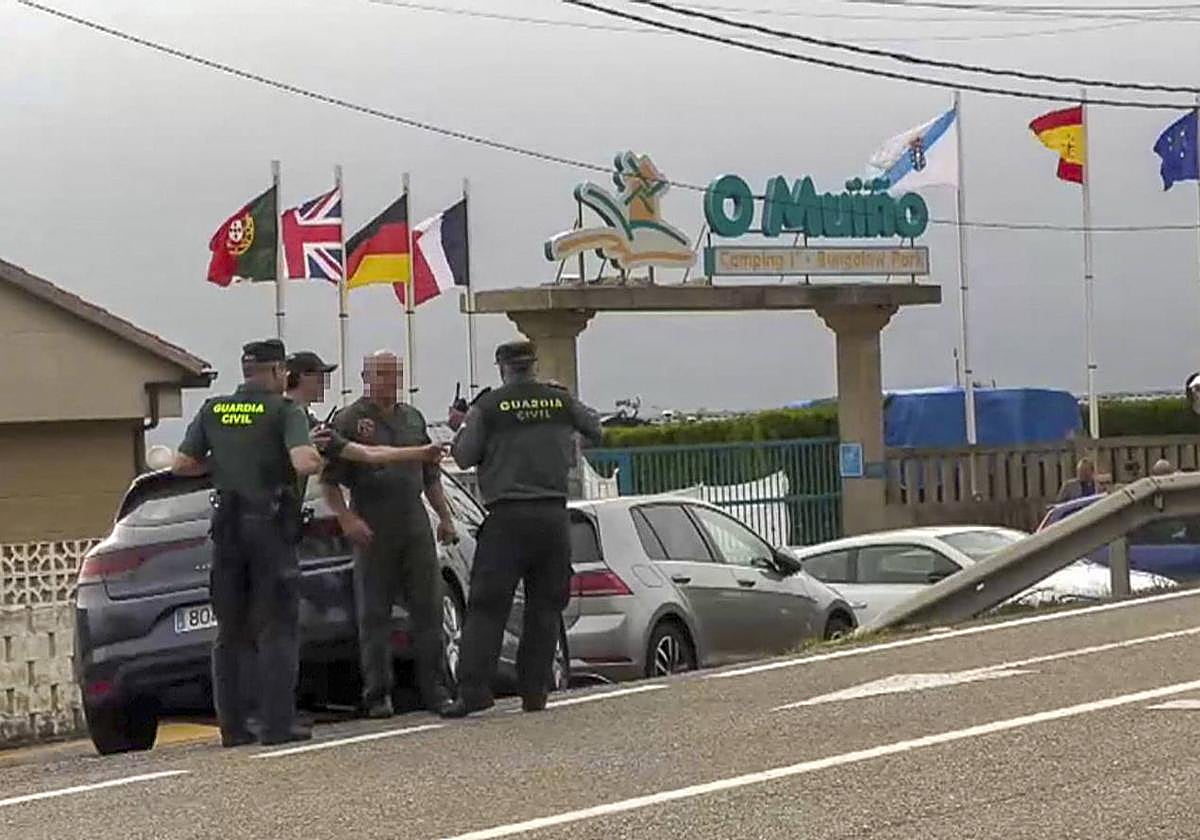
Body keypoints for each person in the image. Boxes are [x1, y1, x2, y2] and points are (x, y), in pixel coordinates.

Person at [440, 340, 603, 719]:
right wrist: (565, 420)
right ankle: (535, 691)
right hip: (553, 517)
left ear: (502, 367)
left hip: (507, 518)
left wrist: (460, 425)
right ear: (534, 365)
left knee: (487, 607)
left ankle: (474, 691)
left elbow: (462, 456)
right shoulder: (559, 401)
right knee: (545, 608)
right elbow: (596, 428)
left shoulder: (488, 406)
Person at [171, 339, 321, 747]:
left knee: (230, 630)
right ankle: (276, 725)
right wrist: (316, 456)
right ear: (276, 371)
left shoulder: (214, 409)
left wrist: (222, 463)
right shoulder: (284, 411)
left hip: (228, 528)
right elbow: (303, 460)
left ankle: (234, 728)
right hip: (269, 528)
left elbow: (182, 464)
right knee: (276, 627)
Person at [320, 351, 456, 717]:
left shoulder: (412, 418)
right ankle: (378, 693)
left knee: (428, 608)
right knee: (374, 613)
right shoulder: (351, 419)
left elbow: (431, 476)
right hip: (372, 520)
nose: (389, 381)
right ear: (366, 377)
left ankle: (436, 689)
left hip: (413, 520)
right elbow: (329, 481)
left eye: (394, 374)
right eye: (381, 374)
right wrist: (347, 518)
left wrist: (445, 517)